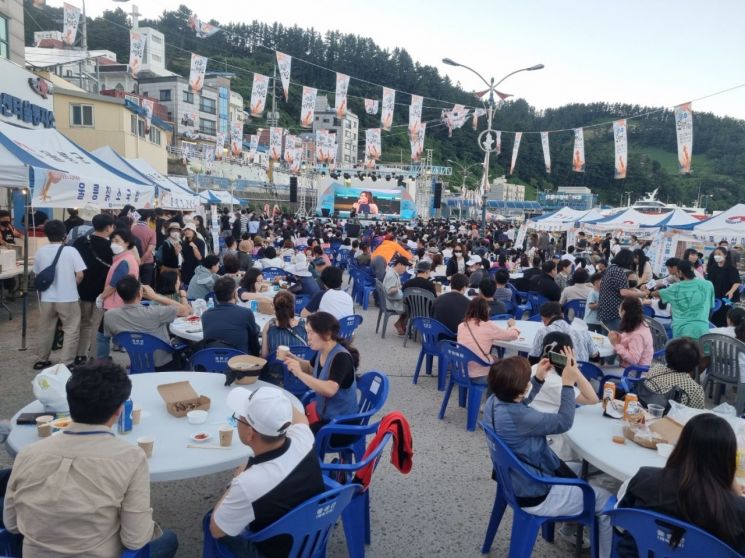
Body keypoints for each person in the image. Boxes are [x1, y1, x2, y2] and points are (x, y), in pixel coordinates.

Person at [2, 361, 179, 558]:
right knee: (168, 539)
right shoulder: (131, 457)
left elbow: (11, 523)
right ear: (119, 409)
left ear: (69, 402)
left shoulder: (28, 453)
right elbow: (135, 539)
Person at [483, 354, 612, 558]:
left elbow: (521, 401)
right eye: (527, 380)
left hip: (514, 480)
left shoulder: (494, 401)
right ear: (520, 388)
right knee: (607, 500)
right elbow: (563, 421)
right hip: (535, 491)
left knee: (584, 471)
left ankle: (571, 527)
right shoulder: (523, 417)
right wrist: (567, 385)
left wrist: (538, 379)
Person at [209, 387, 325, 557]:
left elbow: (217, 529)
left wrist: (234, 481)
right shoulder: (303, 438)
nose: (238, 420)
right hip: (310, 535)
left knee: (209, 521)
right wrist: (274, 401)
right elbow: (299, 417)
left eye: (239, 417)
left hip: (273, 551)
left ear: (250, 433)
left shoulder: (247, 483)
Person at [616, 413, 745, 556]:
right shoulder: (737, 509)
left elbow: (620, 522)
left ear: (681, 446)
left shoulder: (645, 478)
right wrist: (734, 490)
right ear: (728, 460)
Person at [283, 312, 359, 432]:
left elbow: (330, 390)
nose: (308, 337)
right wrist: (291, 357)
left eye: (311, 332)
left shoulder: (341, 357)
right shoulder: (323, 350)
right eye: (308, 332)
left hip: (341, 425)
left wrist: (299, 373)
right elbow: (310, 368)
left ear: (327, 334)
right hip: (325, 415)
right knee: (286, 417)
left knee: (295, 433)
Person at [529, 332, 600, 459]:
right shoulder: (555, 382)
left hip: (538, 429)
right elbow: (593, 399)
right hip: (556, 441)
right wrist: (574, 368)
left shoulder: (536, 368)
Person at [103, 275, 191, 370]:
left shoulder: (109, 315)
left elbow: (112, 337)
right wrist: (154, 296)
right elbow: (185, 310)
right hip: (162, 363)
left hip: (137, 362)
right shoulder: (155, 312)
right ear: (139, 294)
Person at [32, 220, 87, 369]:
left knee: (46, 329)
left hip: (47, 298)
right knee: (70, 329)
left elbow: (37, 275)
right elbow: (80, 275)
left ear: (46, 234)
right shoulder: (71, 251)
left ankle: (42, 359)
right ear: (64, 234)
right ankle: (66, 362)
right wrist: (71, 285)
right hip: (68, 298)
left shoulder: (40, 251)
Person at [73, 213, 114, 365]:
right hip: (102, 294)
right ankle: (95, 357)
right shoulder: (112, 247)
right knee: (97, 327)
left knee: (83, 323)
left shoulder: (80, 242)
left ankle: (79, 355)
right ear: (109, 227)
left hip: (82, 290)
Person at [648, 260, 715, 340]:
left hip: (681, 331)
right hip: (702, 330)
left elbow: (657, 293)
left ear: (679, 272)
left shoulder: (675, 288)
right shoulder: (708, 284)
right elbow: (711, 306)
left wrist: (648, 293)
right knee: (700, 352)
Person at [457, 297, 519, 381]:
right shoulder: (488, 325)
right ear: (485, 310)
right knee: (503, 365)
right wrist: (512, 326)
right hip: (478, 372)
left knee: (494, 359)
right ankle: (492, 391)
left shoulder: (461, 325)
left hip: (462, 367)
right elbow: (512, 336)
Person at [202, 276, 261, 356]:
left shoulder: (205, 315)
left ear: (215, 296)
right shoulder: (246, 313)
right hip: (239, 364)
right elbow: (254, 344)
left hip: (213, 362)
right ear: (234, 294)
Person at [640, 338, 705, 409]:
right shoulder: (694, 389)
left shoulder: (656, 369)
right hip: (672, 418)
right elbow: (698, 415)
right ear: (695, 363)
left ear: (667, 356)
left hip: (645, 409)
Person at [528, 302, 598, 363]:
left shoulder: (543, 332)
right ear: (562, 315)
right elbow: (596, 357)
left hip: (559, 375)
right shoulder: (582, 331)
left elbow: (533, 359)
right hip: (583, 374)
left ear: (544, 319)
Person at [598, 249, 645, 331]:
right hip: (613, 312)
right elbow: (624, 292)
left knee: (607, 339)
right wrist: (642, 294)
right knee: (616, 340)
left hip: (604, 310)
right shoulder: (619, 271)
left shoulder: (610, 268)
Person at [607, 297, 654, 369]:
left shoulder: (638, 335)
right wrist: (619, 337)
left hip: (634, 373)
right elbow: (630, 340)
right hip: (631, 368)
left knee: (600, 370)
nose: (618, 310)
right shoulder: (639, 323)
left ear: (623, 312)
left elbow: (633, 360)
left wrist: (616, 344)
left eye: (619, 308)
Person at [261, 290, 307, 359]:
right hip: (299, 368)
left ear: (274, 308)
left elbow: (264, 354)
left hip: (276, 367)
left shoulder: (269, 326)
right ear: (293, 306)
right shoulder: (305, 325)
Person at [707, 247, 741, 326]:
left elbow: (736, 282)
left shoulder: (731, 268)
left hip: (726, 296)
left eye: (719, 254)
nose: (716, 256)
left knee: (724, 315)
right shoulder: (713, 268)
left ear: (725, 255)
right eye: (715, 254)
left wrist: (731, 291)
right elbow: (709, 282)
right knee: (714, 316)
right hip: (715, 296)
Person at [383, 256, 410, 335]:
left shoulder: (392, 272)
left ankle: (401, 323)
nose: (405, 269)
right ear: (399, 264)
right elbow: (390, 291)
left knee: (409, 303)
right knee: (412, 306)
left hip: (393, 299)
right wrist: (399, 287)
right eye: (405, 266)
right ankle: (400, 323)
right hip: (392, 302)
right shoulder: (392, 275)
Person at [131, 210, 157, 287]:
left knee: (133, 285)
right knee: (146, 285)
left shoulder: (131, 229)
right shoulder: (152, 232)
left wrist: (138, 261)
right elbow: (149, 250)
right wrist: (141, 261)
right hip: (147, 261)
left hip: (133, 260)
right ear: (148, 218)